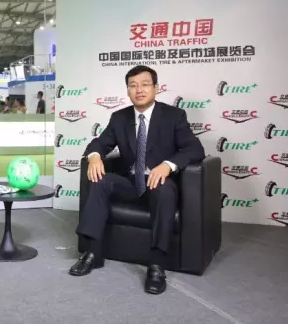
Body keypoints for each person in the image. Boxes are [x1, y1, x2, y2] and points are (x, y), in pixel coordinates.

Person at [70, 65, 205, 295]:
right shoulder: (119, 117)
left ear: (156, 88)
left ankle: (157, 265)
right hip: (131, 182)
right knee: (100, 180)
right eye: (133, 86)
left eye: (144, 84)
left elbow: (195, 148)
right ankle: (92, 253)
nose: (139, 90)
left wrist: (168, 165)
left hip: (158, 182)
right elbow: (99, 143)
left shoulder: (173, 116)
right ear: (128, 91)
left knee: (163, 189)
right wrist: (94, 157)